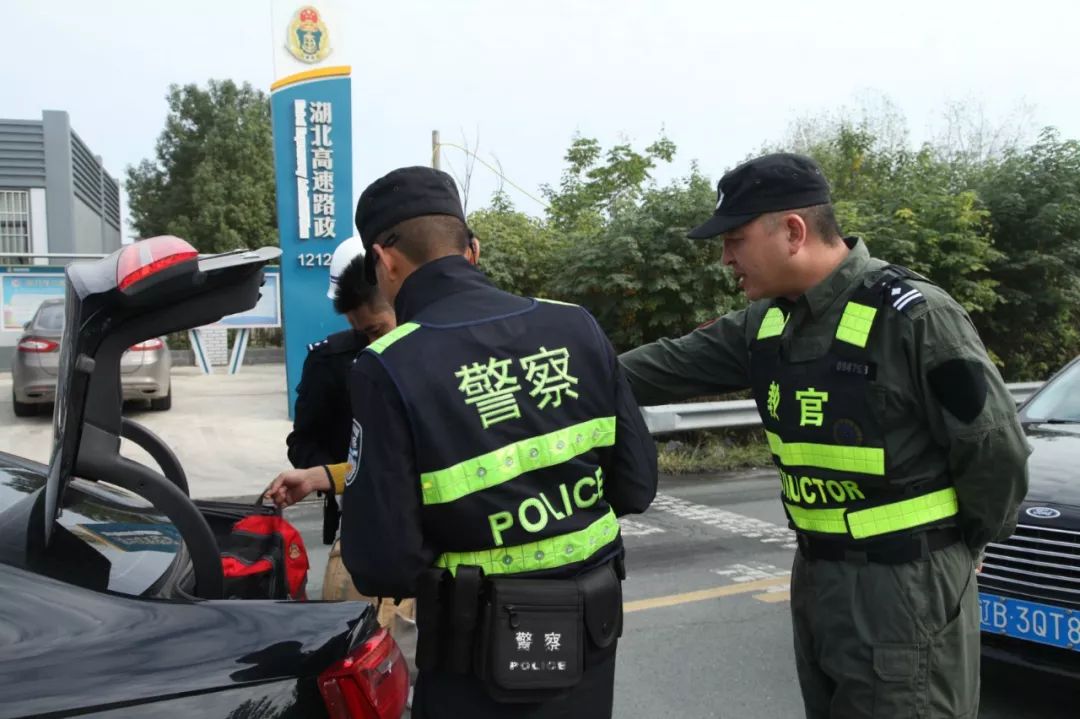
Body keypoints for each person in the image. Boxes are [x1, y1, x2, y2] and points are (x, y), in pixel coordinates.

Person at [618, 152, 1030, 718]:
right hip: (816, 575)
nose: (725, 258)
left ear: (793, 231)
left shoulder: (915, 316)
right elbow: (646, 370)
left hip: (905, 584)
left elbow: (994, 449)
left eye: (735, 240)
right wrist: (545, 356)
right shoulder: (766, 321)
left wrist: (969, 545)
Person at [267, 166, 657, 718]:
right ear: (470, 247)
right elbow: (636, 486)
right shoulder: (576, 326)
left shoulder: (388, 365)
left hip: (473, 658)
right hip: (588, 639)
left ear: (384, 260)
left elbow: (383, 563)